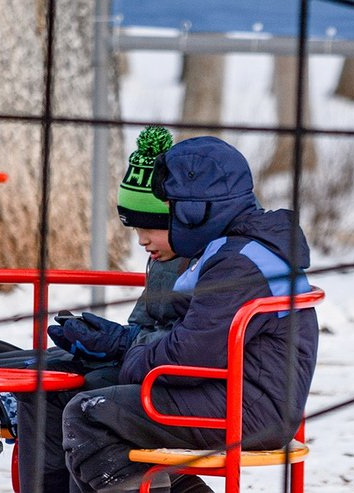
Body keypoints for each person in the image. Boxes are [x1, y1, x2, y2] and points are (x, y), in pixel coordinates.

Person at [57, 136, 319, 492]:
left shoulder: (238, 263)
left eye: (173, 206)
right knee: (103, 402)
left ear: (199, 209)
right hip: (241, 396)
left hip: (250, 411)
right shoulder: (239, 249)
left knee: (91, 414)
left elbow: (190, 355)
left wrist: (127, 354)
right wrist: (124, 347)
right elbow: (195, 340)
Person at [17, 127, 211, 492]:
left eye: (152, 227)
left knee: (86, 400)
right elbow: (144, 325)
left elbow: (195, 341)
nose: (142, 240)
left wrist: (121, 343)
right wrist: (104, 341)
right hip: (159, 375)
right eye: (135, 228)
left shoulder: (206, 262)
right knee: (46, 382)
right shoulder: (165, 261)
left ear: (182, 218)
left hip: (185, 388)